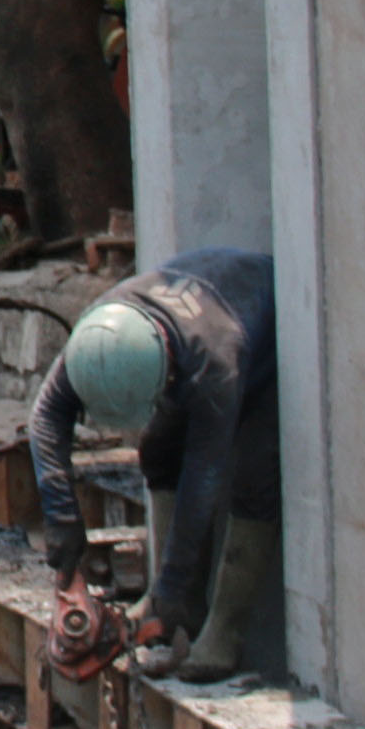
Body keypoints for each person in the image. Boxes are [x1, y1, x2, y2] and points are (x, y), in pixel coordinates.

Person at [30, 246, 277, 682]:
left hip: (266, 340)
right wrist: (64, 534)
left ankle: (222, 630)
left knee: (254, 478)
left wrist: (172, 587)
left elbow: (204, 477)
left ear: (164, 377)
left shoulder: (216, 365)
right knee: (159, 449)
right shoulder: (101, 334)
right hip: (187, 325)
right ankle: (179, 609)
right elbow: (45, 420)